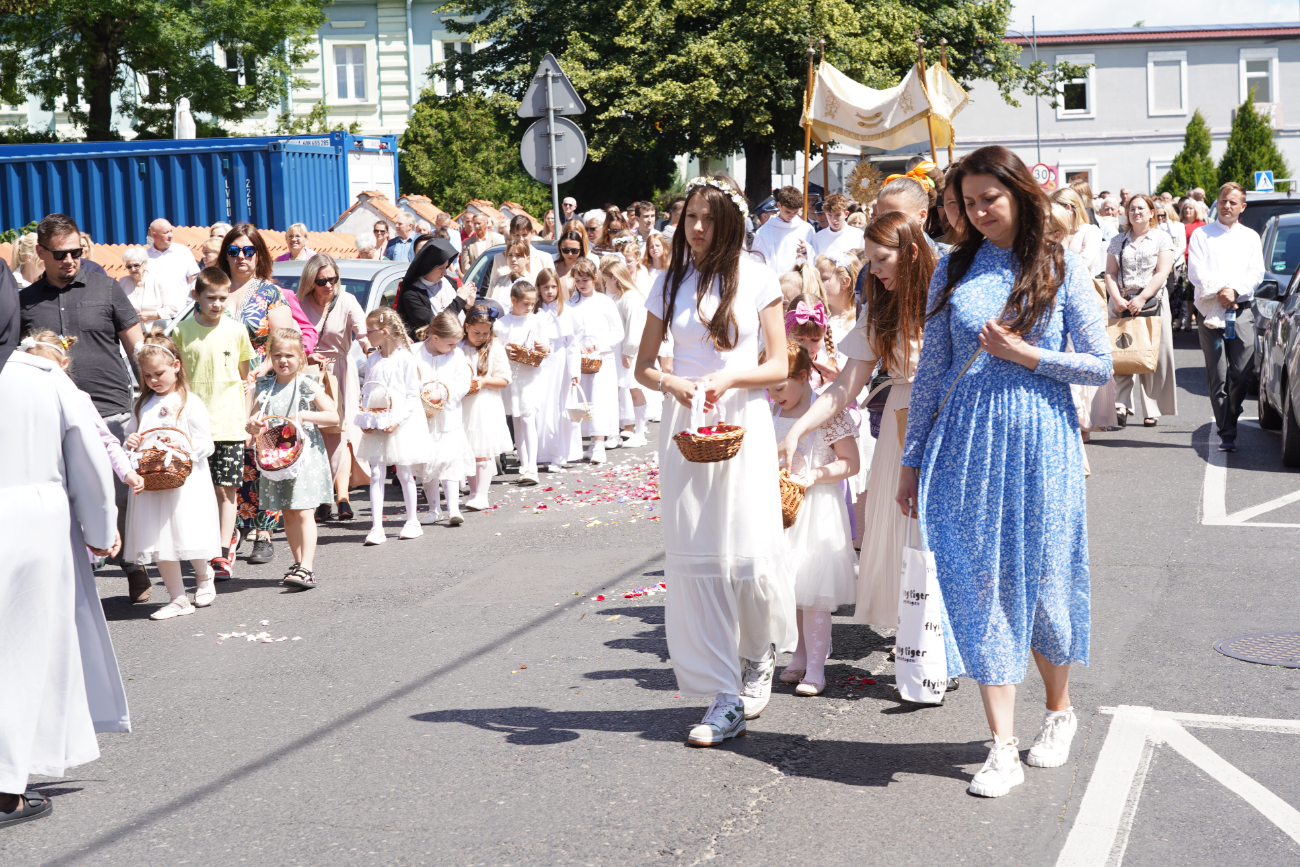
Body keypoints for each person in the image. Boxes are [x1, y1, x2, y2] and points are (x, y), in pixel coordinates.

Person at [896, 145, 1111, 798]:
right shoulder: (952, 269)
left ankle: (1059, 709)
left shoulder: (1060, 264)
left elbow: (1100, 363)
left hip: (1043, 444)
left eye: (989, 197)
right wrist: (911, 461)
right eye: (966, 201)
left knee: (1045, 579)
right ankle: (1000, 745)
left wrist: (1029, 355)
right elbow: (933, 369)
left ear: (1019, 193)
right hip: (967, 446)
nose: (977, 210)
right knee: (986, 583)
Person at [634, 172, 794, 746]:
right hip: (687, 426)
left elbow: (779, 364)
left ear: (729, 222)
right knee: (701, 560)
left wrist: (730, 377)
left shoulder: (755, 275)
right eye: (690, 218)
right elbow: (644, 366)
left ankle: (758, 655)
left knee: (748, 561)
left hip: (743, 420)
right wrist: (676, 384)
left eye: (707, 219)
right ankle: (724, 694)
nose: (696, 229)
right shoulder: (668, 280)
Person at [1, 266, 129, 827]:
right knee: (20, 657)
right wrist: (103, 534)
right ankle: (6, 788)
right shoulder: (40, 376)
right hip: (30, 527)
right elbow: (91, 463)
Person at [19, 212, 147, 601]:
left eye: (75, 252)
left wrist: (154, 396)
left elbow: (138, 345)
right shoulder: (23, 302)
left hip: (111, 410)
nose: (69, 260)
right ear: (41, 253)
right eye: (60, 254)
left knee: (121, 493)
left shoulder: (106, 288)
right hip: (50, 419)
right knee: (63, 500)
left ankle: (134, 566)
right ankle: (75, 576)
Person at [768, 339, 859, 696]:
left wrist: (814, 476)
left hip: (817, 510)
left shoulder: (828, 413)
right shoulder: (773, 414)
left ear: (805, 375)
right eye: (769, 389)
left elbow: (851, 462)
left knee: (814, 591)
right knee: (792, 588)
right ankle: (799, 657)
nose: (775, 396)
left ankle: (817, 670)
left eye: (780, 387)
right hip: (784, 509)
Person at [122, 334, 221, 620]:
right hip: (153, 480)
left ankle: (203, 576)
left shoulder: (188, 402)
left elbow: (206, 443)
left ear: (176, 366)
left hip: (185, 481)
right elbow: (134, 435)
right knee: (159, 537)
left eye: (160, 373)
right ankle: (178, 598)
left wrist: (185, 446)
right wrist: (131, 441)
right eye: (148, 375)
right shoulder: (142, 405)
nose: (154, 380)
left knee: (188, 530)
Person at [219, 223, 300, 564]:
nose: (241, 257)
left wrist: (265, 368)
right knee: (231, 456)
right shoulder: (215, 289)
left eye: (248, 251)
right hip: (223, 385)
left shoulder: (269, 293)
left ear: (259, 255)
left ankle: (264, 531)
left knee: (264, 455)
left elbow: (286, 339)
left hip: (260, 382)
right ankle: (232, 528)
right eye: (234, 251)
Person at [172, 267, 256, 580]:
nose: (217, 303)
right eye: (211, 298)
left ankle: (222, 550)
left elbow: (245, 377)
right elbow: (176, 379)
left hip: (230, 423)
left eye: (223, 298)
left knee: (227, 491)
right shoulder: (182, 331)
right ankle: (201, 545)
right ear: (197, 296)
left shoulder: (236, 331)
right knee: (197, 492)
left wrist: (247, 422)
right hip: (194, 425)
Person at [247, 328, 337, 589]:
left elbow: (333, 415)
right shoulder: (265, 386)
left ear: (301, 358)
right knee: (287, 511)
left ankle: (307, 567)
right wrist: (252, 426)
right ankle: (298, 564)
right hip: (276, 455)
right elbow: (253, 421)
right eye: (277, 355)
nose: (283, 360)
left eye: (289, 355)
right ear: (270, 357)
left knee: (304, 510)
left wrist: (304, 416)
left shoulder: (307, 384)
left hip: (303, 456)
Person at [1187, 182, 1265, 453]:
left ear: (1242, 207)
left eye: (1233, 202)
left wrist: (1236, 291)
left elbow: (1256, 273)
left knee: (1242, 374)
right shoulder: (1201, 235)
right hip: (1210, 312)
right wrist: (1221, 291)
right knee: (1218, 376)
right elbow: (1195, 272)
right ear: (1216, 203)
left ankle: (1233, 410)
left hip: (1240, 312)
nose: (1227, 206)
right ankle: (1226, 430)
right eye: (1223, 200)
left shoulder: (1250, 237)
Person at [298, 254, 370, 522]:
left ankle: (342, 497)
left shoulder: (347, 300)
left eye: (333, 279)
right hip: (309, 373)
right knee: (315, 437)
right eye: (321, 281)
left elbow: (361, 332)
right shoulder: (301, 305)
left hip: (340, 371)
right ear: (310, 281)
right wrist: (306, 356)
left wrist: (370, 348)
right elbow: (293, 340)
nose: (328, 285)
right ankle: (324, 496)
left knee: (341, 432)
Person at [356, 307, 434, 544]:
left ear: (385, 331)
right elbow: (368, 389)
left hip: (401, 421)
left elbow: (412, 396)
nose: (366, 334)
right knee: (377, 471)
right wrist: (367, 416)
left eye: (370, 330)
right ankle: (377, 527)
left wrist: (397, 420)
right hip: (379, 418)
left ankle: (413, 520)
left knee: (403, 470)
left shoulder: (406, 359)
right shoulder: (373, 359)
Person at [1104, 194, 1177, 427]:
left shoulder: (1162, 239)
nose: (1136, 212)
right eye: (1132, 209)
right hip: (1122, 302)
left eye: (1141, 208)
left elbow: (1162, 272)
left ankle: (1151, 408)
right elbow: (1110, 273)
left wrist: (1143, 297)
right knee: (1122, 354)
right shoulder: (1118, 240)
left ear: (1151, 213)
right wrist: (1116, 298)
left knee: (1150, 355)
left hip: (1152, 301)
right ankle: (1121, 405)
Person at [414, 312, 475, 525]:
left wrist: (444, 392)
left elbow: (464, 382)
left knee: (450, 462)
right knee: (427, 465)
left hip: (449, 418)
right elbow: (408, 380)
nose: (454, 347)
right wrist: (422, 393)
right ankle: (434, 509)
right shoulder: (414, 352)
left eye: (456, 343)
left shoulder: (456, 356)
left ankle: (454, 509)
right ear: (435, 337)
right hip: (424, 419)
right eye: (450, 343)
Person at [569, 258, 624, 463]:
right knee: (583, 399)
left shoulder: (605, 302)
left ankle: (599, 441)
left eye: (586, 280)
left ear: (595, 278)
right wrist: (576, 346)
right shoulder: (570, 304)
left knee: (600, 398)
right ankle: (588, 440)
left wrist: (599, 346)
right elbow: (568, 331)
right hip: (580, 359)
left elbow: (618, 332)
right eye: (578, 280)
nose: (582, 284)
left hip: (602, 359)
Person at [459, 303, 513, 510]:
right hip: (464, 404)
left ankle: (482, 495)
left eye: (485, 333)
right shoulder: (458, 349)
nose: (480, 337)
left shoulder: (495, 349)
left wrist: (484, 381)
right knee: (469, 450)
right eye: (476, 332)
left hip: (484, 405)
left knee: (482, 450)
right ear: (466, 327)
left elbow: (505, 379)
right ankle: (473, 493)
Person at [496, 280, 550, 485]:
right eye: (526, 304)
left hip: (530, 375)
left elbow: (546, 346)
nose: (530, 308)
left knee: (528, 418)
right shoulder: (502, 324)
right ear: (513, 300)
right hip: (512, 376)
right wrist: (504, 351)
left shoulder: (536, 321)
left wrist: (545, 348)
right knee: (517, 421)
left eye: (532, 304)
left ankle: (532, 467)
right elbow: (496, 348)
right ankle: (523, 464)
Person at [534, 269, 583, 470]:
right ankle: (541, 451)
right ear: (538, 288)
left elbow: (572, 344)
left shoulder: (566, 311)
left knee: (560, 405)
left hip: (560, 360)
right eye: (545, 287)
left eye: (553, 287)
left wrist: (574, 372)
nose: (550, 291)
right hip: (539, 361)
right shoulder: (534, 311)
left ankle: (561, 453)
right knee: (541, 406)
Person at [601, 257, 650, 448]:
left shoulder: (631, 298)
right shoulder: (618, 297)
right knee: (621, 390)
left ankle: (639, 431)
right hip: (619, 351)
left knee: (634, 389)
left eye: (606, 281)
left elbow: (635, 329)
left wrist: (628, 352)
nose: (605, 285)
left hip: (629, 352)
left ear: (614, 278)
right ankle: (615, 432)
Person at [393, 239, 475, 341]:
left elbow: (466, 319)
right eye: (441, 268)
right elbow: (435, 327)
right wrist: (459, 300)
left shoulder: (450, 282)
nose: (445, 272)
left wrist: (468, 307)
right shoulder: (412, 294)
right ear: (428, 267)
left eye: (446, 267)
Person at [751, 185, 816, 275]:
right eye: (788, 211)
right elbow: (757, 260)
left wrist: (807, 250)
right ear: (779, 205)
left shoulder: (807, 229)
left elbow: (816, 258)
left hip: (799, 282)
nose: (791, 215)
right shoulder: (764, 231)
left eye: (795, 212)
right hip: (774, 282)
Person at [118, 246, 181, 328]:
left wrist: (151, 315)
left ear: (145, 263)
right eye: (129, 266)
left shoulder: (159, 280)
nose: (133, 269)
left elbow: (172, 308)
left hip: (155, 331)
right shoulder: (123, 282)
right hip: (132, 331)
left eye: (136, 265)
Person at [1052, 188, 1103, 276]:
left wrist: (1057, 262)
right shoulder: (1054, 233)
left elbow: (1083, 264)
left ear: (1068, 208)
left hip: (1080, 286)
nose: (1052, 213)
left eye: (1054, 209)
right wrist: (1076, 257)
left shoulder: (1091, 231)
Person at [1176, 199, 1208, 330]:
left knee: (1190, 293)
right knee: (1178, 293)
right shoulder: (1177, 224)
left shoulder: (1200, 224)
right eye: (1185, 208)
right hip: (1178, 262)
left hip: (1193, 262)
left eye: (1190, 208)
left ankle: (1189, 319)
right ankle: (1178, 320)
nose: (1187, 210)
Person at [146, 219, 201, 296]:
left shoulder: (183, 251)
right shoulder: (145, 257)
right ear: (154, 235)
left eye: (171, 231)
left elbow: (194, 278)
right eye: (166, 232)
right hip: (155, 306)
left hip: (182, 306)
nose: (170, 236)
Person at [812, 193, 866, 266]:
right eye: (830, 215)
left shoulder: (858, 235)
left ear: (846, 214)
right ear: (825, 214)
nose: (833, 220)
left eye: (838, 215)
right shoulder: (818, 237)